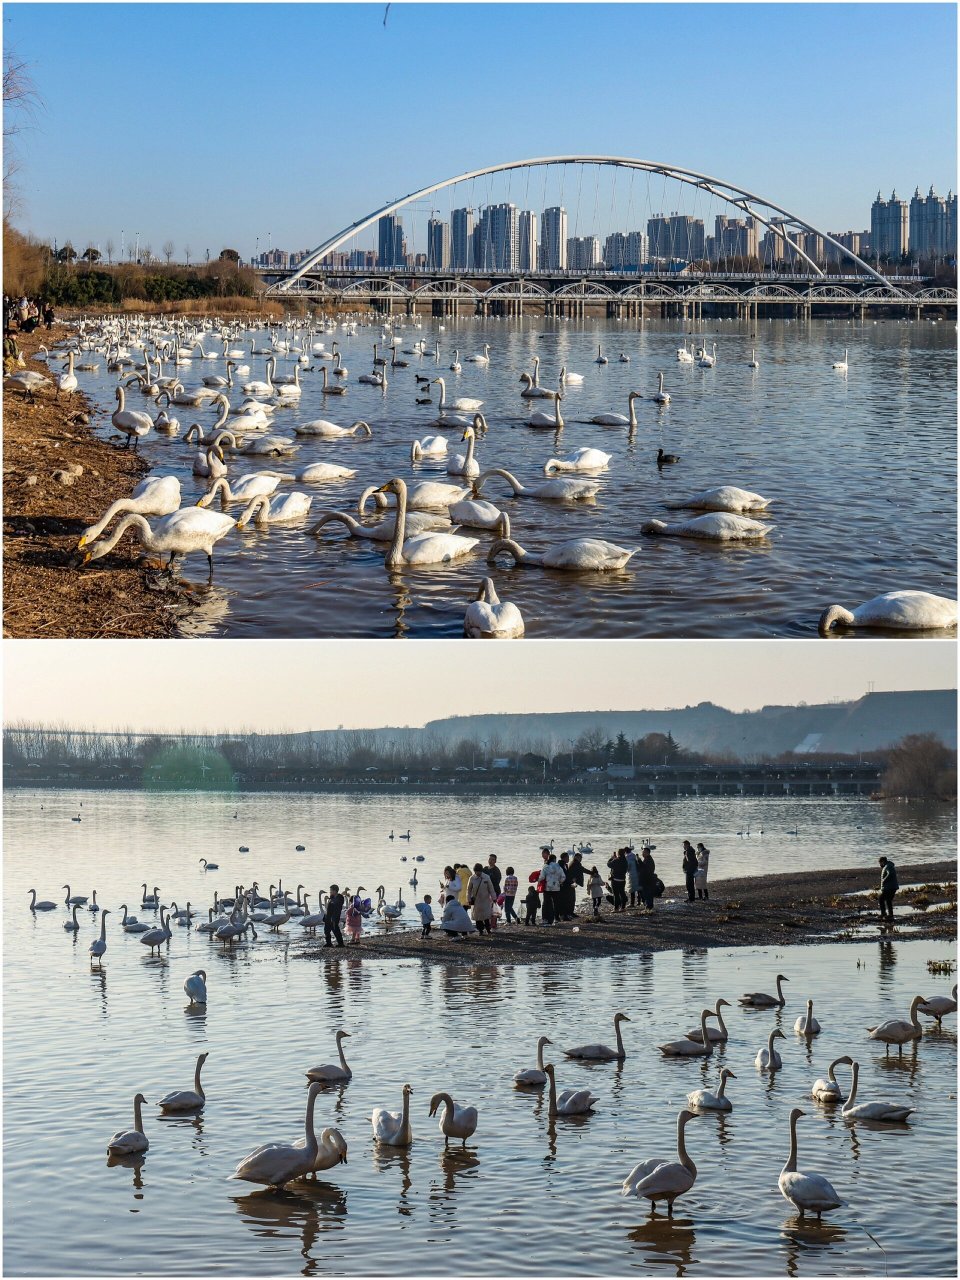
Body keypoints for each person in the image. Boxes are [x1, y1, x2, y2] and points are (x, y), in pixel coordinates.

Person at [468, 862, 497, 936]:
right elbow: (468, 890)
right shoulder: (472, 878)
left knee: (486, 916)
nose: (478, 873)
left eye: (479, 871)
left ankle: (488, 929)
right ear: (474, 871)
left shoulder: (486, 877)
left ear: (481, 871)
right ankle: (480, 930)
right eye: (476, 871)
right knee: (478, 917)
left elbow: (491, 888)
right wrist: (469, 899)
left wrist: (494, 898)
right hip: (476, 900)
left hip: (485, 899)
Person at [541, 854, 565, 925]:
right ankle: (556, 918)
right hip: (556, 888)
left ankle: (545, 918)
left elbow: (542, 877)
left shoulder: (545, 866)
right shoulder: (558, 867)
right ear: (555, 859)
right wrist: (559, 882)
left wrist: (540, 881)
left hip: (547, 888)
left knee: (546, 903)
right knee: (556, 903)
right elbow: (563, 877)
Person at [878, 855, 899, 923]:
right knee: (888, 900)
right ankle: (890, 914)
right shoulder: (888, 865)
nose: (880, 865)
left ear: (883, 861)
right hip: (891, 887)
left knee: (881, 899)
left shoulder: (888, 866)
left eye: (880, 863)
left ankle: (884, 913)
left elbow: (890, 873)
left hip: (889, 887)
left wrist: (884, 880)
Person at [607, 847, 628, 913]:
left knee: (616, 895)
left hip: (615, 880)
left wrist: (612, 858)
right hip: (622, 880)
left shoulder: (616, 860)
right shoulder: (625, 861)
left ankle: (616, 908)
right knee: (622, 893)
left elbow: (609, 864)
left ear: (618, 853)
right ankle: (623, 907)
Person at [324, 884, 345, 948]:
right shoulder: (331, 898)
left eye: (331, 890)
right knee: (326, 930)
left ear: (335, 891)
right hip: (328, 916)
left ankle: (341, 943)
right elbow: (328, 907)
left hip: (334, 917)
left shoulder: (340, 897)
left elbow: (337, 906)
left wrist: (332, 901)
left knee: (336, 930)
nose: (330, 892)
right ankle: (328, 943)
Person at [638, 847, 657, 912]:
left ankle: (649, 907)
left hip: (647, 880)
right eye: (642, 852)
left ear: (647, 853)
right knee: (646, 894)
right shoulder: (647, 859)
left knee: (647, 894)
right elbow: (643, 867)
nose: (642, 853)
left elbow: (645, 869)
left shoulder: (649, 860)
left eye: (643, 852)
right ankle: (648, 906)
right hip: (647, 880)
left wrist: (639, 861)